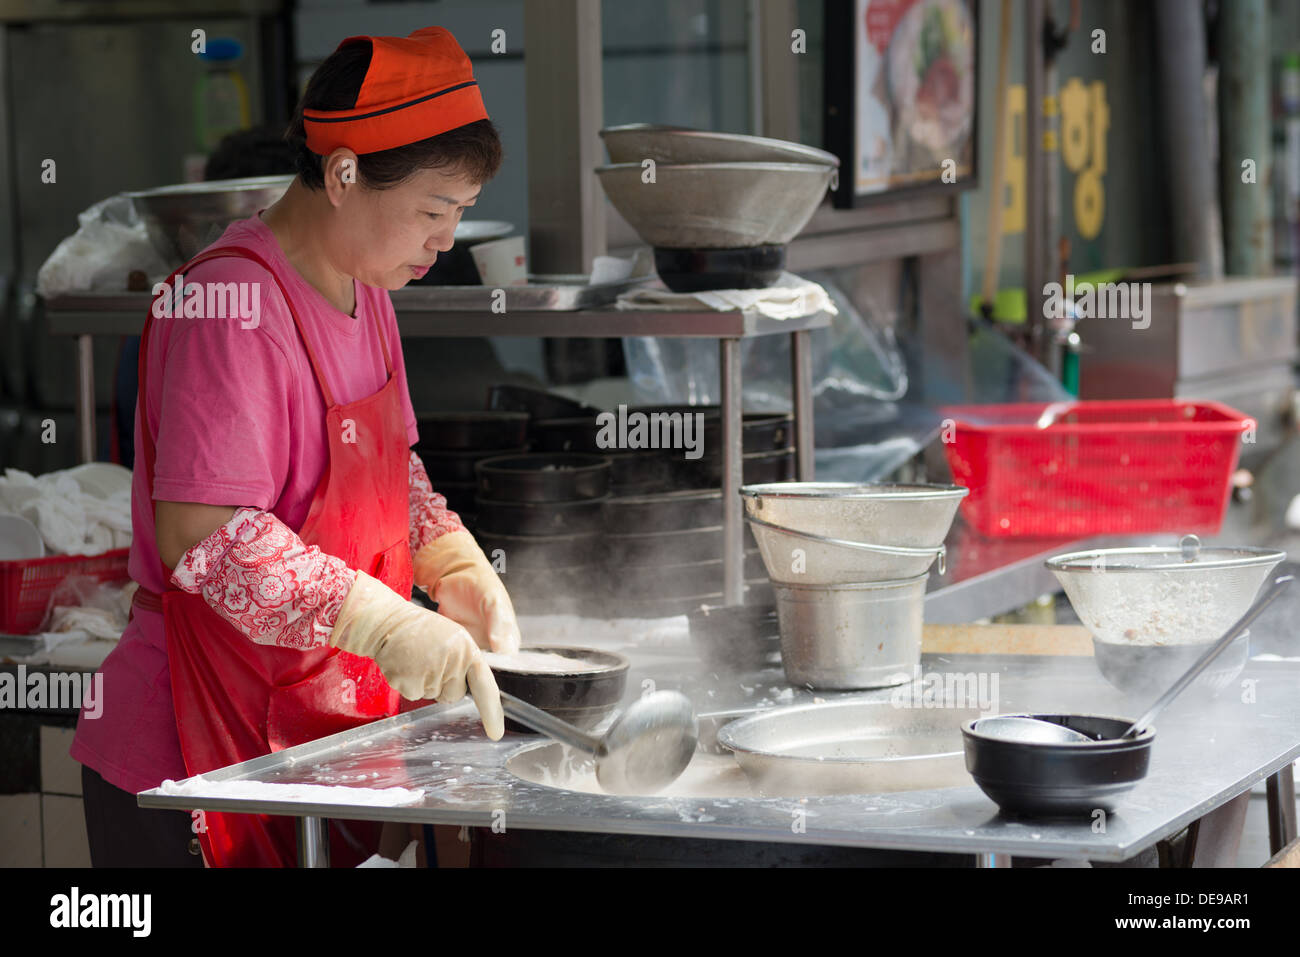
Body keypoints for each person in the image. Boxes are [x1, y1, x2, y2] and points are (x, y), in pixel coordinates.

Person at [72, 25, 517, 868]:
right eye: (433, 210)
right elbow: (202, 536)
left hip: (307, 736)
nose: (448, 240)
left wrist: (449, 556)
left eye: (458, 213)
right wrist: (378, 622)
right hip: (186, 756)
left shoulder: (368, 284)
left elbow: (390, 470)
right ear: (344, 173)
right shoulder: (230, 302)